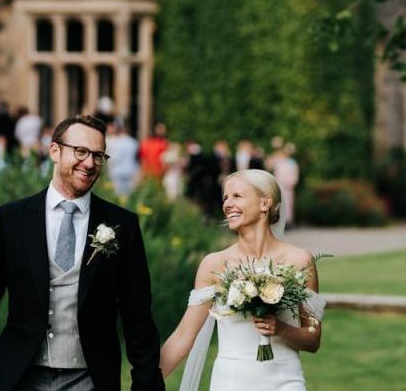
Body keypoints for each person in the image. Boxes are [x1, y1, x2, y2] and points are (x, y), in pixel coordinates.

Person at [0, 114, 165, 391]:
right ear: (54, 151)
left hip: (90, 378)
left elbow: (137, 314)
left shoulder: (122, 224)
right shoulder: (11, 219)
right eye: (81, 151)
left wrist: (146, 383)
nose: (89, 163)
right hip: (22, 376)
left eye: (98, 156)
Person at [160, 169, 324, 391]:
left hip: (286, 380)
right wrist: (146, 380)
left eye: (237, 196)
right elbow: (183, 336)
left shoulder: (299, 260)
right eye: (225, 198)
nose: (227, 204)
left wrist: (281, 329)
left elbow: (313, 339)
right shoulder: (214, 264)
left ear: (266, 203)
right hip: (231, 381)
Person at [268, 139, 300, 228]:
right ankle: (278, 221)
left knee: (288, 204)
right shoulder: (278, 160)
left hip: (288, 186)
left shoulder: (292, 162)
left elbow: (295, 175)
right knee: (278, 203)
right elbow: (268, 164)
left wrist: (292, 182)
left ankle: (288, 222)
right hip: (278, 185)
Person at [106, 121, 140, 196]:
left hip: (116, 171)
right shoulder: (134, 142)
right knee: (128, 195)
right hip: (131, 170)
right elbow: (137, 158)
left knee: (117, 195)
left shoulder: (113, 142)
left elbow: (111, 159)